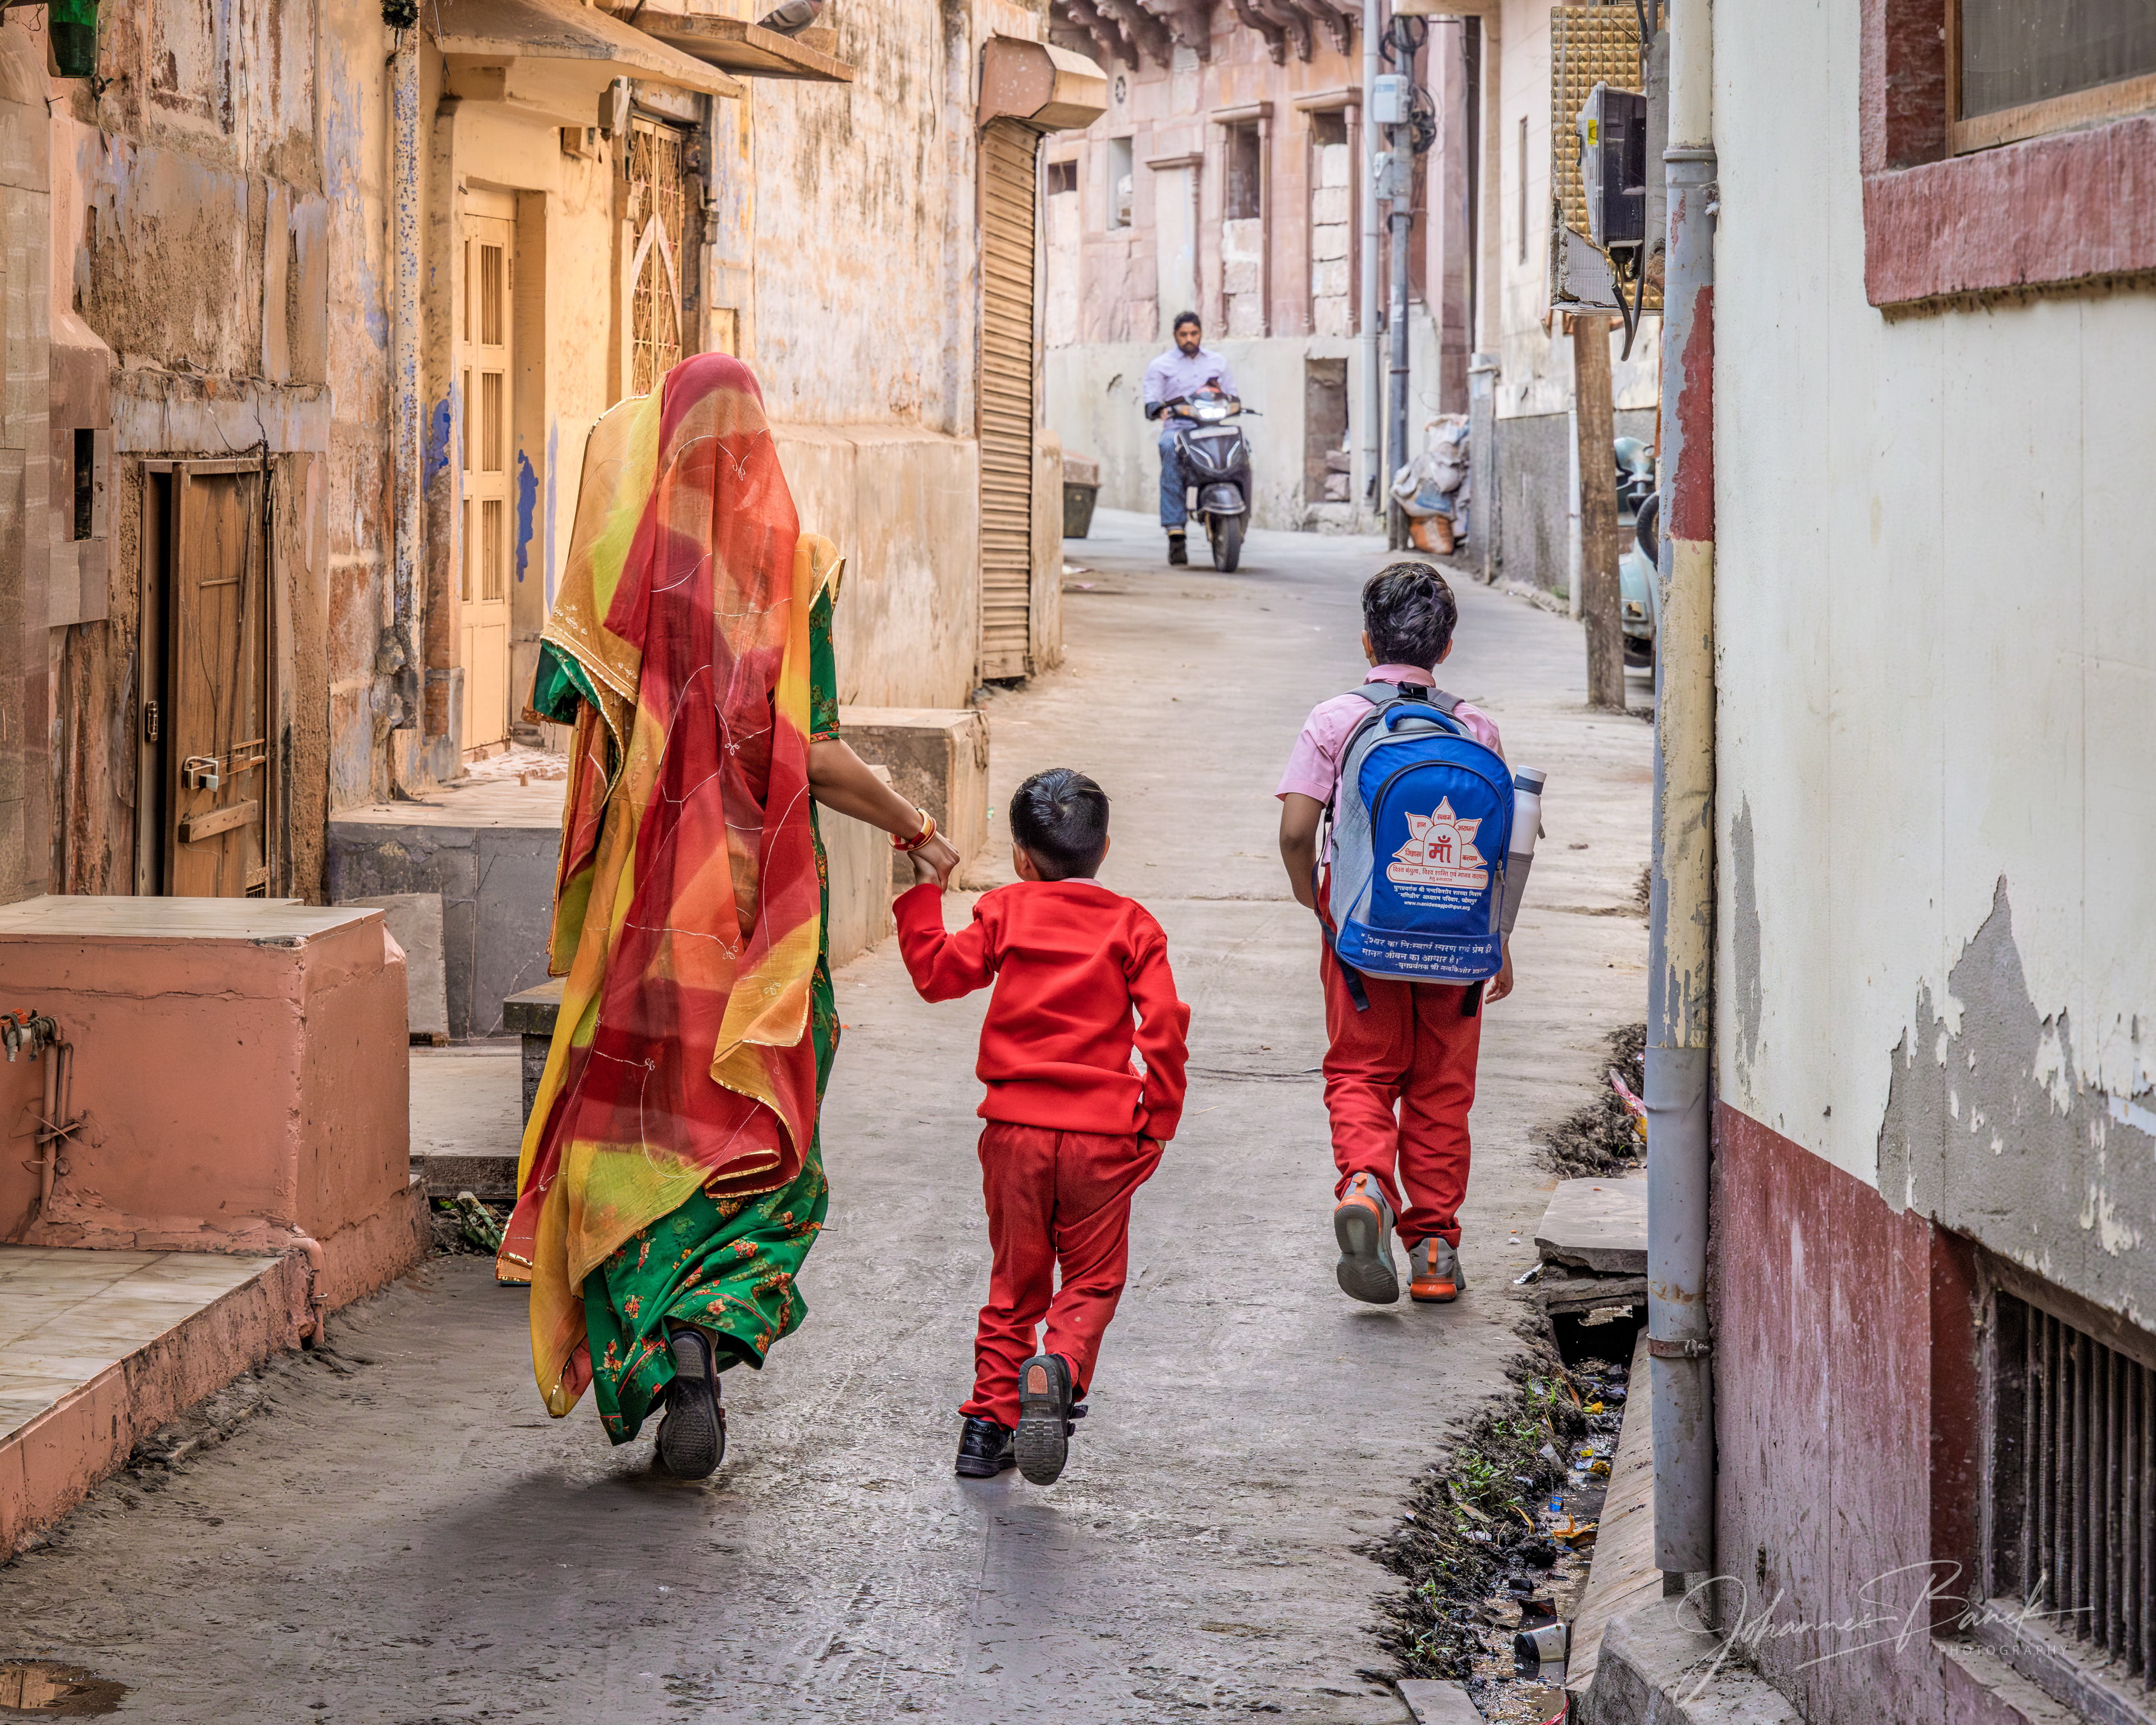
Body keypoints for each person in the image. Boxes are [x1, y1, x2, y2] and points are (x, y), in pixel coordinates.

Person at [498, 353, 959, 1481]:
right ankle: (708, 1320)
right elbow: (818, 751)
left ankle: (663, 1345)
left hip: (648, 915)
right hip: (763, 919)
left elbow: (563, 703)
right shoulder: (799, 572)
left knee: (635, 1123)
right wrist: (915, 827)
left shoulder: (625, 574)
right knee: (754, 1119)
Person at [892, 769, 1190, 1486]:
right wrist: (1158, 1119)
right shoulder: (1134, 925)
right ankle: (1057, 1366)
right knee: (1091, 1278)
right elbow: (1164, 1027)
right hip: (1102, 1139)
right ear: (1105, 848)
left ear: (1021, 859)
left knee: (1013, 1284)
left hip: (1014, 1136)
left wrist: (925, 889)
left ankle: (984, 1432)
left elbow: (936, 975)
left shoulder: (1004, 910)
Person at [1273, 564, 1514, 1307]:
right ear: (1446, 648)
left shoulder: (1334, 720)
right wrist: (1499, 940)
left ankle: (1366, 1186)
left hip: (1361, 932)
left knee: (1362, 1069)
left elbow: (1296, 830)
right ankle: (1434, 1249)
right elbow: (1499, 854)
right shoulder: (1476, 729)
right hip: (1458, 937)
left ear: (1366, 640)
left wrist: (1317, 901)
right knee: (1442, 1086)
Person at [1143, 312, 1239, 566]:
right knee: (1168, 448)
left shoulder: (1217, 362)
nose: (1189, 339)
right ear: (1175, 335)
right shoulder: (1161, 365)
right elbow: (1152, 398)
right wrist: (1157, 409)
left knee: (1244, 447)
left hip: (1214, 425)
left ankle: (1240, 514)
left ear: (1201, 334)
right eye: (1183, 335)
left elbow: (1233, 395)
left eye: (1194, 334)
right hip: (1179, 428)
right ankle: (1176, 532)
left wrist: (1234, 404)